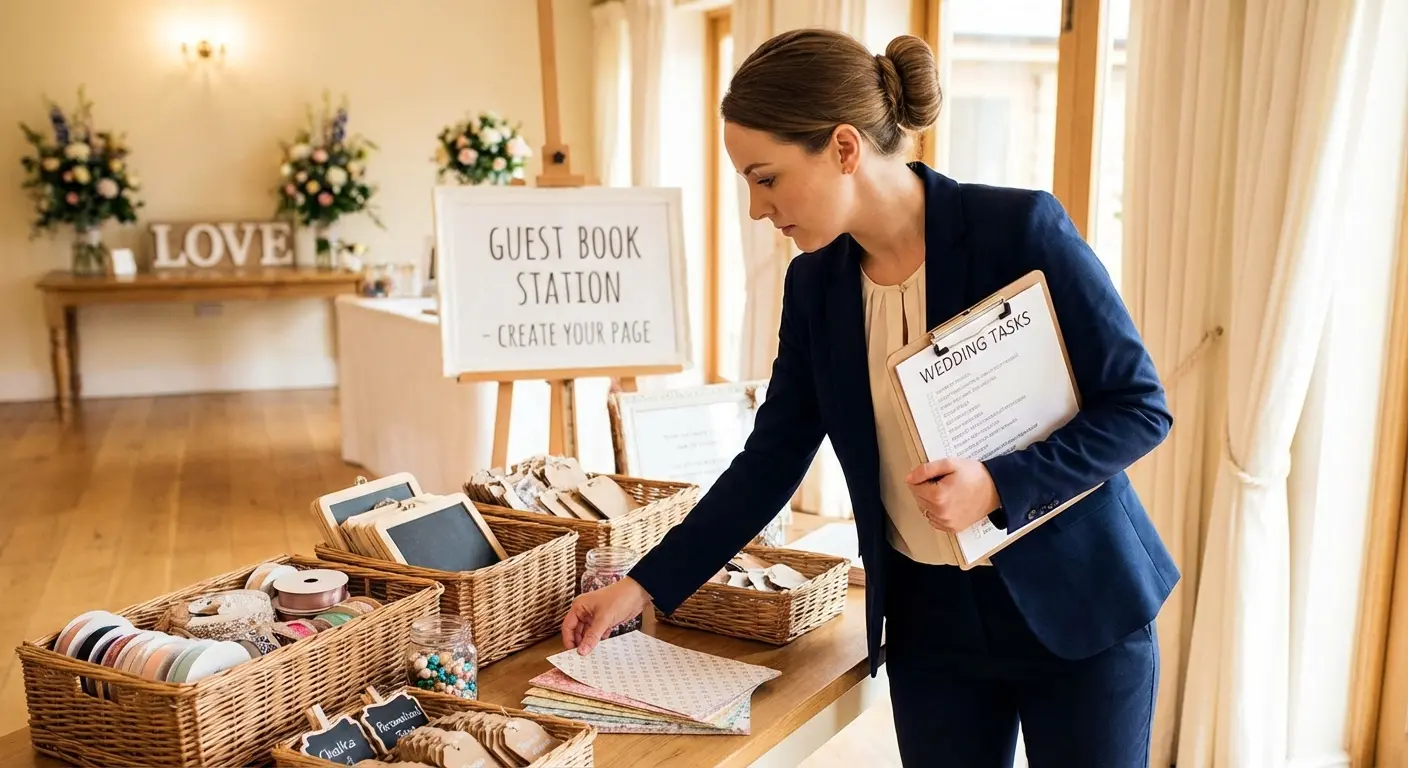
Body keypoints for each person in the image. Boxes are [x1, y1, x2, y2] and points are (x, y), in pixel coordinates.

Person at [560, 28, 1180, 767]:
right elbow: (771, 458)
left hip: (1078, 608)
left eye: (767, 178)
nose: (758, 208)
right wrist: (642, 586)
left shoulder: (1017, 230)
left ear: (845, 149)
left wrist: (998, 485)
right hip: (931, 629)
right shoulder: (816, 285)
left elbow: (1140, 407)